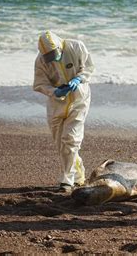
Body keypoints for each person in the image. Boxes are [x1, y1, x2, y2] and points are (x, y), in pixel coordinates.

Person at [33, 30, 95, 193]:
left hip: (79, 100)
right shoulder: (41, 61)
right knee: (62, 144)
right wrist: (54, 91)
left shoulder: (76, 47)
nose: (52, 58)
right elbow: (39, 83)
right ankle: (79, 173)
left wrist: (78, 79)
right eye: (48, 55)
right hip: (56, 105)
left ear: (60, 46)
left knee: (71, 139)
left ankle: (67, 180)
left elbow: (88, 67)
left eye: (54, 54)